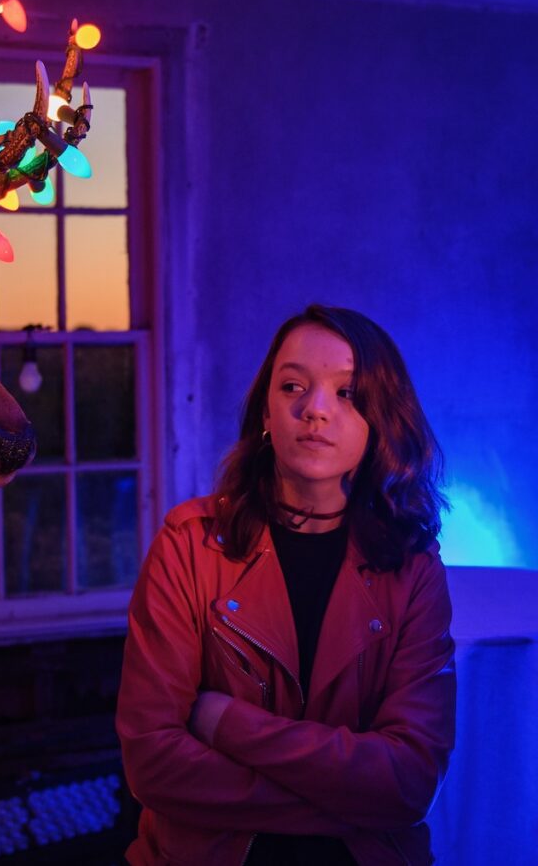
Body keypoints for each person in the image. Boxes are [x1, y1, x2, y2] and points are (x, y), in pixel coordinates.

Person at [116, 304, 455, 865]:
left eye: (347, 393)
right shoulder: (189, 543)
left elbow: (410, 781)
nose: (315, 409)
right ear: (266, 414)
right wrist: (346, 798)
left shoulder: (413, 568)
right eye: (293, 385)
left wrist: (225, 720)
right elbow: (153, 763)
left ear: (381, 420)